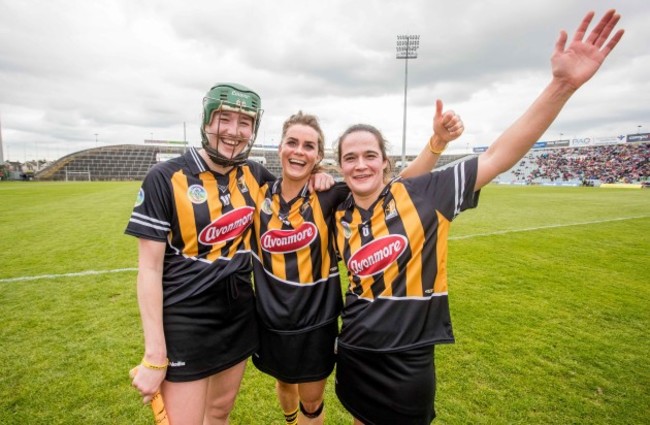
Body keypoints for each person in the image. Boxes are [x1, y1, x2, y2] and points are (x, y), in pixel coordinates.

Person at [331, 10, 624, 425]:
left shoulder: (425, 194)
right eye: (350, 157)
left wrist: (561, 86)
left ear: (385, 162)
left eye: (369, 156)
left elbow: (498, 156)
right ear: (340, 166)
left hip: (409, 357)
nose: (359, 165)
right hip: (356, 348)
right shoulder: (338, 211)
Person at [250, 107, 463, 425]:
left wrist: (435, 145)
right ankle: (290, 420)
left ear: (319, 156)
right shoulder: (257, 190)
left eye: (309, 146)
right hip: (269, 320)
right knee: (283, 383)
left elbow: (399, 187)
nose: (298, 151)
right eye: (291, 142)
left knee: (312, 401)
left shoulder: (330, 194)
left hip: (316, 323)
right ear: (279, 147)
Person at [126, 82, 276, 425]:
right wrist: (154, 354)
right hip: (186, 320)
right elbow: (148, 270)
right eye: (225, 118)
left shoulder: (254, 173)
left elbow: (298, 193)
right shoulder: (165, 177)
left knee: (219, 413)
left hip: (238, 313)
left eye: (245, 122)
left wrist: (319, 179)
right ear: (207, 121)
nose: (234, 131)